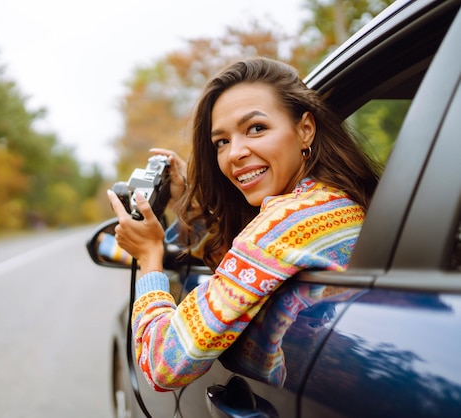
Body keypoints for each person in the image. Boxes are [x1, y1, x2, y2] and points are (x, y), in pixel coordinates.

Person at [106, 57, 380, 392]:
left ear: (305, 129)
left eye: (256, 128)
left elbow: (164, 363)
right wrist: (187, 202)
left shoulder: (289, 222)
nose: (234, 153)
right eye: (221, 141)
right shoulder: (341, 204)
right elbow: (251, 265)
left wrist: (149, 256)